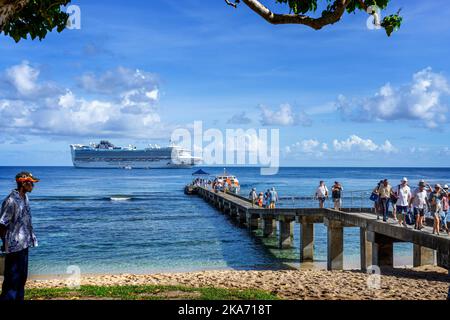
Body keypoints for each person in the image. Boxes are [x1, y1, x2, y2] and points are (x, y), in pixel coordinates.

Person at [0, 172, 40, 301]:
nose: (33, 186)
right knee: (12, 279)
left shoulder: (25, 198)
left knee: (22, 278)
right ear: (23, 183)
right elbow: (2, 224)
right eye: (31, 183)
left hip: (24, 244)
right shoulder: (11, 201)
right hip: (13, 246)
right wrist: (4, 244)